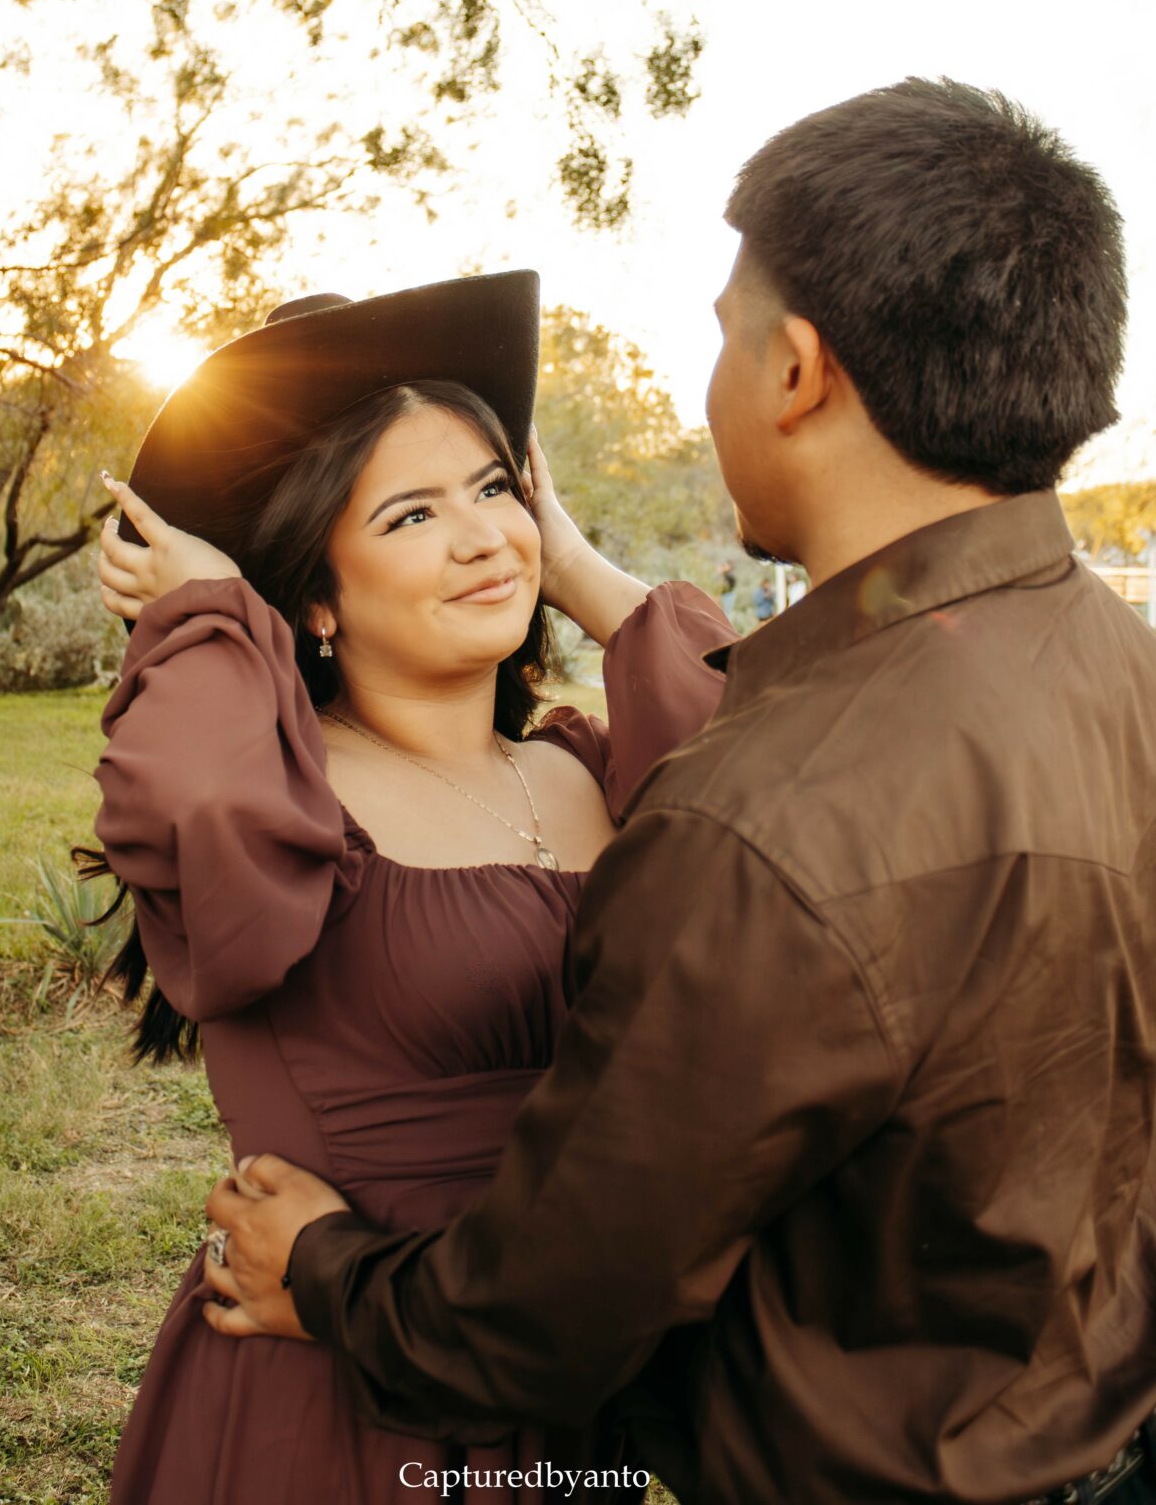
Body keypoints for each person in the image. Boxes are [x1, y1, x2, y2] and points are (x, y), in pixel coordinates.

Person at [200, 80, 1156, 1505]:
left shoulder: (756, 827)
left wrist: (329, 1270)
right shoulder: (1128, 674)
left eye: (723, 339)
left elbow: (540, 1319)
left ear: (794, 371)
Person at [85, 271, 734, 1503]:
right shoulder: (285, 806)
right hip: (335, 1392)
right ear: (315, 597)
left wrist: (582, 567)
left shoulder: (584, 765)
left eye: (497, 489)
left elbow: (774, 775)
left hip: (563, 1376)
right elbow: (204, 799)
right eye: (412, 514)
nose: (483, 534)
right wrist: (212, 615)